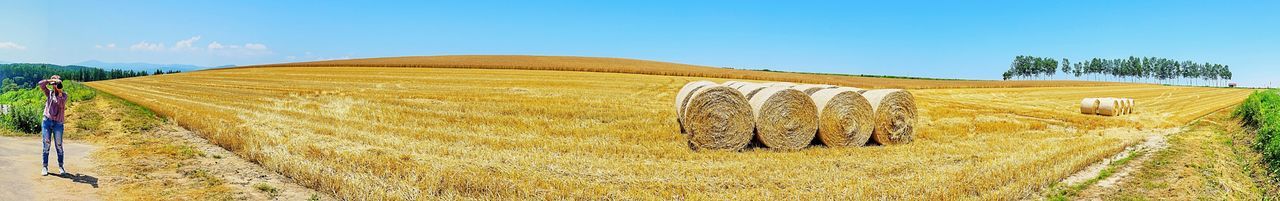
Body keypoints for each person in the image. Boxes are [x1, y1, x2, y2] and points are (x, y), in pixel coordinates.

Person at [38, 75, 67, 176]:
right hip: (47, 121)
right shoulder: (49, 93)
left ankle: (61, 166)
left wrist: (58, 91)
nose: (56, 85)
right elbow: (40, 84)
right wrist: (51, 81)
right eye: (54, 83)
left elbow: (60, 103)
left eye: (57, 83)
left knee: (59, 145)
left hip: (58, 123)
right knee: (46, 144)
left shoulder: (64, 95)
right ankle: (44, 166)